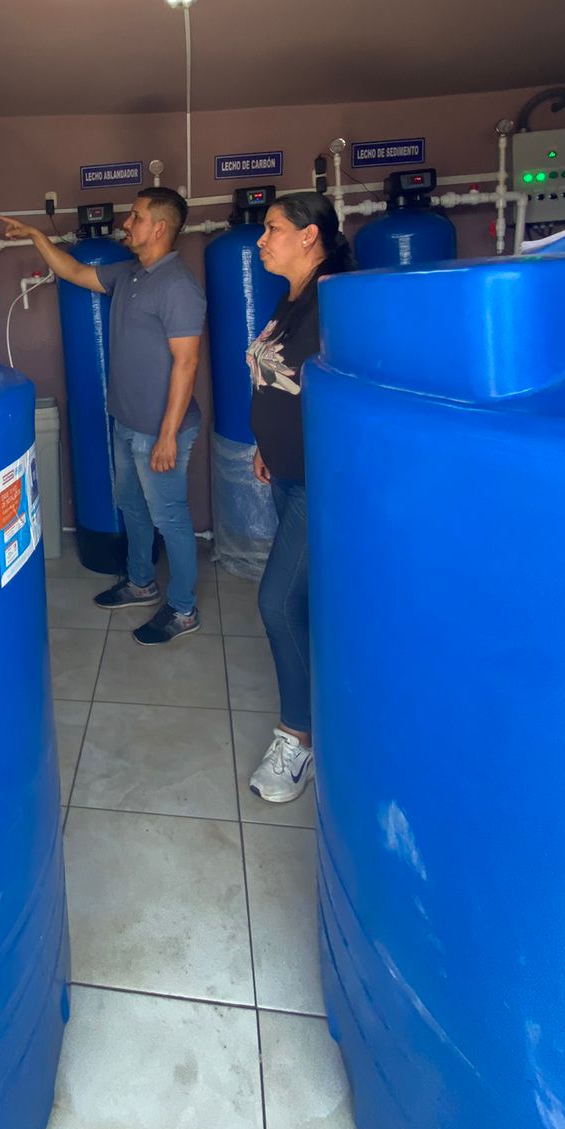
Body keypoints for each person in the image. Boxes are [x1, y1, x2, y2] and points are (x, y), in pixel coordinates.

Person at [0, 188, 206, 643]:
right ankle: (141, 581)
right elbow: (72, 270)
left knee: (169, 517)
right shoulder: (129, 274)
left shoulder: (178, 286)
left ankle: (184, 609)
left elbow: (187, 363)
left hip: (159, 430)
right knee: (131, 505)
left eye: (136, 216)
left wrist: (168, 435)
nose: (126, 224)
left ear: (159, 228)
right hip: (127, 422)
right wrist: (36, 236)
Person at [246, 192, 354, 801]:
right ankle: (325, 715)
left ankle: (299, 738)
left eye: (272, 229)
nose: (262, 241)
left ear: (309, 235)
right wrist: (269, 443)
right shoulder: (291, 298)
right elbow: (284, 381)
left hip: (320, 481)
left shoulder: (335, 298)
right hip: (286, 471)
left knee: (279, 602)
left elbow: (347, 393)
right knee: (306, 601)